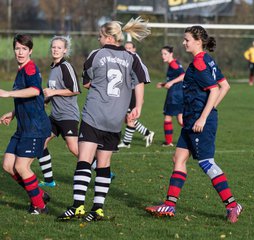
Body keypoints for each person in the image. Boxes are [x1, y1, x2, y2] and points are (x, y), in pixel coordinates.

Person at [146, 26, 243, 223]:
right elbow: (226, 86)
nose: (184, 43)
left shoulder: (200, 63)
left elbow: (215, 89)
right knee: (178, 158)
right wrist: (206, 111)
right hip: (192, 120)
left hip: (199, 122)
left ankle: (233, 205)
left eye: (187, 39)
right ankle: (170, 205)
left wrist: (203, 116)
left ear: (198, 41)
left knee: (207, 163)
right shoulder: (207, 59)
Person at [57, 17, 150, 222]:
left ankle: (77, 207)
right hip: (115, 119)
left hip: (94, 114)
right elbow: (140, 81)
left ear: (108, 37)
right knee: (104, 164)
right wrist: (138, 107)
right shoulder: (132, 57)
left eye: (100, 36)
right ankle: (97, 209)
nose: (98, 40)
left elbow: (87, 83)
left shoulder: (96, 55)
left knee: (84, 160)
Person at [0, 34, 51, 214]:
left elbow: (35, 91)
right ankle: (39, 194)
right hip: (23, 128)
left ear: (30, 51)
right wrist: (13, 113)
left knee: (21, 167)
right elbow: (30, 100)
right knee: (7, 165)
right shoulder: (21, 70)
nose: (20, 52)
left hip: (35, 128)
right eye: (17, 48)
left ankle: (40, 205)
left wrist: (7, 93)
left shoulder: (30, 69)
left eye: (24, 49)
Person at [37, 35, 80, 188]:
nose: (55, 50)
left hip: (68, 115)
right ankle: (49, 181)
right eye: (53, 47)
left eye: (59, 48)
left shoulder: (65, 66)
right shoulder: (53, 67)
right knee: (40, 142)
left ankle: (103, 171)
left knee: (74, 148)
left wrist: (53, 93)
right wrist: (45, 101)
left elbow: (74, 90)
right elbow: (53, 91)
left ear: (65, 50)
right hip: (55, 116)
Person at [118, 41, 154, 148]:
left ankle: (126, 142)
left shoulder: (135, 58)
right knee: (127, 118)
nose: (128, 50)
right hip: (127, 91)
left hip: (132, 92)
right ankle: (147, 133)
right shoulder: (125, 58)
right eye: (126, 48)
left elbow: (142, 75)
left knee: (130, 117)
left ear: (134, 49)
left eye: (130, 48)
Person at [156, 46, 185, 147]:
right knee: (181, 120)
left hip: (175, 96)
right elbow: (176, 78)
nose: (163, 56)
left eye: (165, 54)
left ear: (171, 54)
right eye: (162, 54)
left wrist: (171, 82)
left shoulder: (173, 64)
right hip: (178, 94)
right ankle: (196, 138)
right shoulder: (173, 63)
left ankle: (168, 142)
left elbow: (183, 75)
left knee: (168, 118)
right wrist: (164, 84)